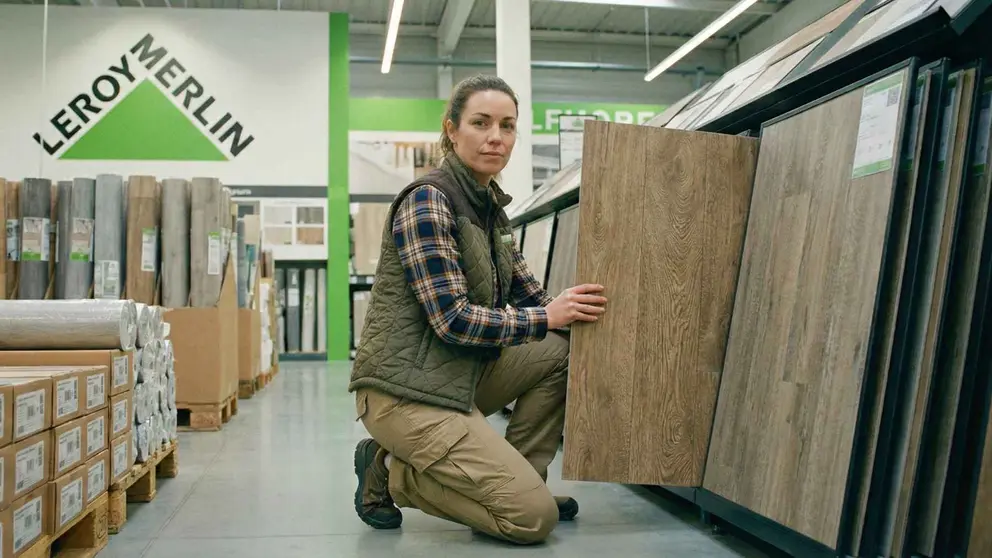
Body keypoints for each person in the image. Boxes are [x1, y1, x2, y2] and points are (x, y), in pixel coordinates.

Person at [348, 74, 608, 545]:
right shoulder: (429, 200)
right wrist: (546, 317)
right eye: (480, 123)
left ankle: (523, 481)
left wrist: (577, 309)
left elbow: (532, 297)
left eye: (507, 126)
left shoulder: (491, 209)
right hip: (405, 392)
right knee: (532, 521)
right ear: (452, 129)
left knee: (561, 348)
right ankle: (387, 470)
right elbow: (452, 320)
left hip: (455, 376)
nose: (496, 137)